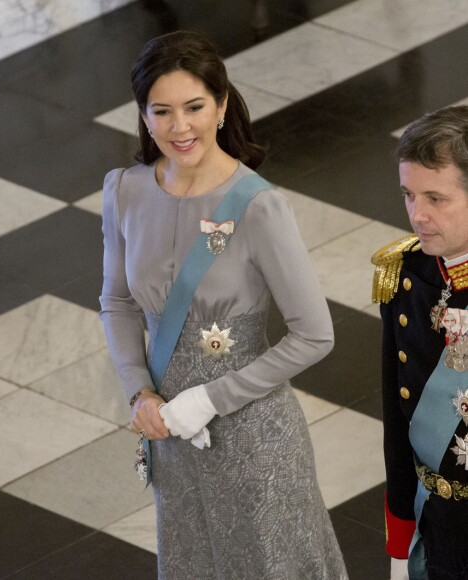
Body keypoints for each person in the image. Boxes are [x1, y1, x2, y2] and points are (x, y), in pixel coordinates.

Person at [100, 30, 347, 579]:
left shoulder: (259, 206)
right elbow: (116, 301)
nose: (179, 127)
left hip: (255, 440)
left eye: (194, 107)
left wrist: (212, 397)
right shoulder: (123, 190)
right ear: (142, 115)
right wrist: (137, 390)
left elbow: (315, 334)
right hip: (171, 435)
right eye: (161, 111)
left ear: (222, 106)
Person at [371, 105, 468, 580]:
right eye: (409, 195)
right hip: (437, 525)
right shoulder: (407, 274)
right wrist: (400, 539)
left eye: (436, 197)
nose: (418, 215)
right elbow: (396, 417)